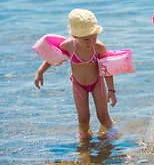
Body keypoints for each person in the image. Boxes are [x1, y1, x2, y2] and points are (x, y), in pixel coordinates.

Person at [34, 9, 118, 140]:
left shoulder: (99, 47)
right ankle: (84, 138)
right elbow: (52, 58)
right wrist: (40, 71)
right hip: (78, 85)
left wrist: (111, 90)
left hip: (97, 83)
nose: (90, 42)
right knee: (83, 116)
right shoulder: (68, 46)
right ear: (75, 36)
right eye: (86, 39)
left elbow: (107, 70)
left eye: (94, 38)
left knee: (103, 115)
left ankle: (113, 133)